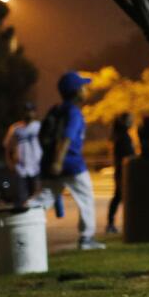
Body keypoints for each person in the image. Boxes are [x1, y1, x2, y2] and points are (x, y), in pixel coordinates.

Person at [42, 71, 105, 250]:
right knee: (86, 198)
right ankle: (87, 238)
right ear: (77, 92)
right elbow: (66, 138)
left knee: (45, 197)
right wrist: (58, 161)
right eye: (83, 87)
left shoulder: (58, 109)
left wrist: (53, 162)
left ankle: (22, 217)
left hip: (55, 162)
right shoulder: (74, 112)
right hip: (71, 163)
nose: (86, 90)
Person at [3, 101, 42, 208]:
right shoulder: (15, 128)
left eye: (31, 111)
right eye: (26, 111)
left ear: (35, 112)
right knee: (21, 198)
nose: (28, 114)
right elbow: (7, 148)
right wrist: (10, 164)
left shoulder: (39, 127)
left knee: (36, 197)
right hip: (21, 169)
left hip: (36, 168)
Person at [106, 112, 135, 234]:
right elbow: (127, 155)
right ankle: (114, 223)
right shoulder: (124, 137)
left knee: (118, 197)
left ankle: (111, 223)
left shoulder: (120, 136)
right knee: (121, 197)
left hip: (120, 170)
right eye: (130, 120)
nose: (132, 122)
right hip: (123, 171)